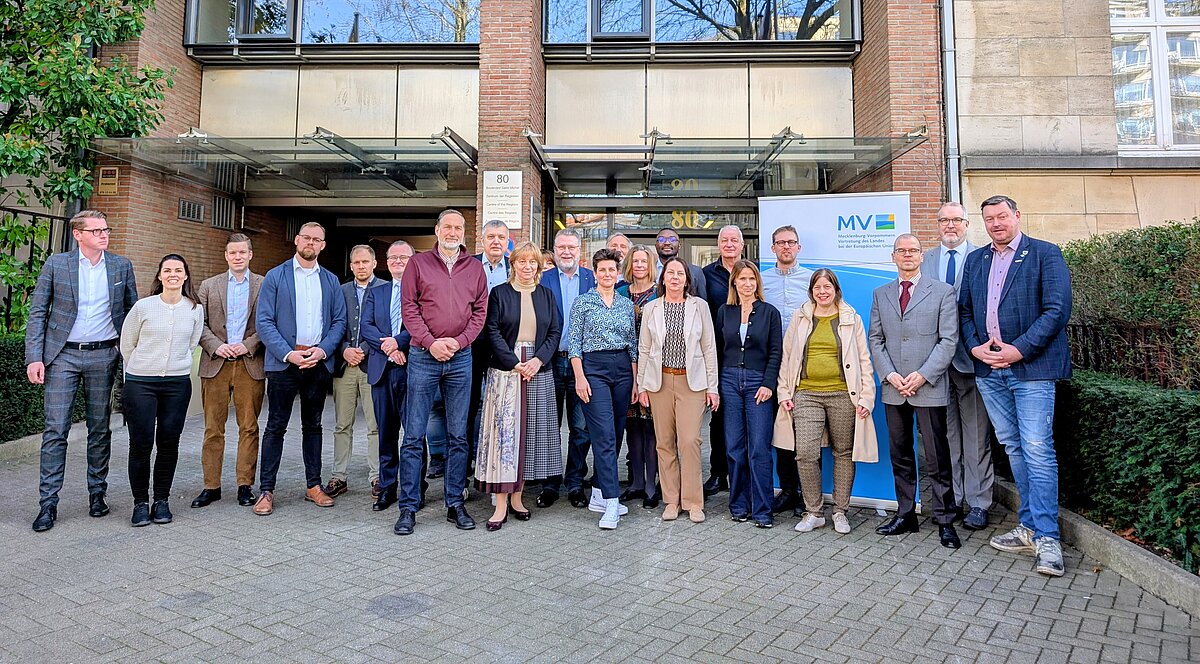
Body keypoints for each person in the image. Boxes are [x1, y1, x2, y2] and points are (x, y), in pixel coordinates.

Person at [960, 195, 1072, 577]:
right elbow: (964, 311)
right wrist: (975, 345)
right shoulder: (976, 260)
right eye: (989, 218)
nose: (996, 224)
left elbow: (1057, 310)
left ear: (1017, 216)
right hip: (990, 370)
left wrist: (1018, 350)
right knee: (1013, 447)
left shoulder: (1045, 254)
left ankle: (1048, 538)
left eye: (1002, 217)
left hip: (1031, 369)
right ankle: (1028, 526)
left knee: (1038, 449)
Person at [26, 210, 138, 532]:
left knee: (100, 429)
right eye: (97, 230)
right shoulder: (56, 264)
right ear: (78, 234)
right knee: (55, 431)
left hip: (104, 355)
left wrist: (126, 350)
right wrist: (35, 357)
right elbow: (38, 313)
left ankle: (97, 495)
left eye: (106, 229)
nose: (104, 235)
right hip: (62, 357)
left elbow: (132, 312)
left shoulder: (121, 266)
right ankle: (48, 504)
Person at [393, 209, 489, 536]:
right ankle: (408, 506)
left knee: (458, 434)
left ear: (464, 233)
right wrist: (431, 343)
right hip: (423, 356)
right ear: (436, 230)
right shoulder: (418, 265)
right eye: (446, 226)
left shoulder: (474, 268)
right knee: (414, 434)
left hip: (462, 359)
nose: (452, 232)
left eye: (458, 227)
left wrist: (460, 342)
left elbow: (479, 312)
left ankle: (454, 503)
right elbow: (410, 309)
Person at [868, 234, 961, 549]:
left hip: (928, 386)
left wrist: (922, 375)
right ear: (893, 257)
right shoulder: (881, 294)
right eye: (901, 251)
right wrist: (891, 375)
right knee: (901, 454)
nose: (907, 255)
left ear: (922, 256)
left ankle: (945, 519)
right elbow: (875, 339)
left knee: (936, 456)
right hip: (894, 388)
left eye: (913, 251)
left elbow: (948, 341)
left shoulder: (943, 292)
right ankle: (906, 514)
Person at [252, 222, 347, 516]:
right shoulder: (275, 277)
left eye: (316, 239)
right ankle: (266, 490)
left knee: (314, 426)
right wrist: (289, 354)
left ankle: (313, 486)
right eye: (306, 237)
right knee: (275, 427)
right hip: (284, 364)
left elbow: (338, 322)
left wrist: (322, 350)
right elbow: (264, 322)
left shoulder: (330, 280)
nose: (310, 243)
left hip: (317, 363)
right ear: (296, 240)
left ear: (322, 245)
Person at [775, 269, 877, 535]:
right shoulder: (801, 317)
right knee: (805, 453)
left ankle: (840, 511)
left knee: (843, 452)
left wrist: (866, 396)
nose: (822, 292)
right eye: (817, 287)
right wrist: (785, 392)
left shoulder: (850, 318)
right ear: (811, 290)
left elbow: (864, 360)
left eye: (827, 287)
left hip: (844, 394)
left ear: (835, 290)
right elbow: (788, 357)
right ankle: (814, 512)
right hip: (806, 393)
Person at [477, 242, 563, 531]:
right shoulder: (499, 294)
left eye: (533, 263)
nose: (527, 267)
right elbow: (492, 331)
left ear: (539, 267)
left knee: (528, 436)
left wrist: (538, 360)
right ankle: (500, 503)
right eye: (522, 262)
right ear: (512, 264)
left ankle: (517, 497)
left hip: (538, 370)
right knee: (505, 435)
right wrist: (514, 362)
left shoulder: (547, 295)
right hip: (506, 370)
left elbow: (554, 330)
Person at [922, 202, 994, 531]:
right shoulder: (927, 260)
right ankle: (953, 496)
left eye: (956, 220)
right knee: (945, 435)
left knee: (976, 435)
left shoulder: (984, 257)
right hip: (935, 363)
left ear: (967, 225)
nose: (950, 226)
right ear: (937, 225)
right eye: (944, 220)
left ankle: (978, 502)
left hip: (972, 359)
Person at [119, 254, 204, 527]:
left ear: (186, 275)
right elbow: (127, 345)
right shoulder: (143, 307)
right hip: (141, 382)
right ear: (159, 276)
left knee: (169, 442)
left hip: (176, 384)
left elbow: (191, 344)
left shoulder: (194, 309)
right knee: (141, 443)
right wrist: (144, 367)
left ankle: (161, 500)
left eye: (178, 270)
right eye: (167, 270)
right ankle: (140, 503)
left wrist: (172, 365)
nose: (173, 274)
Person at [636, 256, 719, 524]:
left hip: (691, 383)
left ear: (687, 279)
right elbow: (645, 349)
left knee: (690, 441)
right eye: (670, 273)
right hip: (659, 382)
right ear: (663, 279)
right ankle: (671, 500)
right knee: (664, 443)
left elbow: (709, 348)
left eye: (680, 274)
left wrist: (712, 387)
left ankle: (693, 502)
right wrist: (642, 387)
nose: (674, 278)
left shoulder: (699, 307)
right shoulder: (652, 308)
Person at [193, 233, 265, 509]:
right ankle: (211, 486)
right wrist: (217, 346)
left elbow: (268, 322)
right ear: (226, 256)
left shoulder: (263, 284)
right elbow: (199, 323)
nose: (237, 257)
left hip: (250, 363)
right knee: (213, 428)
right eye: (232, 253)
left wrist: (247, 345)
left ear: (250, 255)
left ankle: (244, 484)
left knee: (248, 427)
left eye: (242, 252)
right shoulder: (209, 286)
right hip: (216, 363)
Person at [569, 248, 638, 529]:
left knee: (617, 431)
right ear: (594, 273)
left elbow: (632, 344)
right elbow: (574, 344)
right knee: (604, 435)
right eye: (602, 270)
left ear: (618, 273)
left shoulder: (625, 304)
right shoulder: (583, 303)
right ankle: (611, 501)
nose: (608, 274)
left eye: (612, 270)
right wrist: (580, 377)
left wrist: (634, 380)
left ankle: (598, 491)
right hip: (593, 369)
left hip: (622, 368)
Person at [716, 260, 782, 528]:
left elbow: (776, 351)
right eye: (742, 279)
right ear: (734, 283)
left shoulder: (769, 312)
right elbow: (719, 350)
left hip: (758, 383)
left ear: (757, 283)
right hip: (730, 380)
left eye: (751, 279)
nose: (747, 284)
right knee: (734, 447)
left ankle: (763, 509)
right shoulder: (724, 311)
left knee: (759, 449)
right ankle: (739, 504)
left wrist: (768, 384)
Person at [539, 229, 596, 509]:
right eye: (561, 247)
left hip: (582, 366)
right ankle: (550, 482)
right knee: (549, 427)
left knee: (581, 427)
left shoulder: (592, 279)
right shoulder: (543, 280)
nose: (566, 252)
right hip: (551, 361)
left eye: (571, 247)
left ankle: (574, 482)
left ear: (579, 250)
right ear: (554, 249)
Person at [760, 224, 814, 515]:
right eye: (780, 243)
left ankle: (808, 493)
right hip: (771, 364)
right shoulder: (762, 280)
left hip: (804, 365)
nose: (786, 247)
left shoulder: (811, 281)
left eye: (791, 242)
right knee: (781, 431)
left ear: (799, 247)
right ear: (773, 249)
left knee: (805, 431)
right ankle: (788, 490)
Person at [360, 240, 415, 512]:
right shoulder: (376, 291)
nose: (397, 262)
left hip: (410, 370)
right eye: (393, 258)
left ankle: (414, 486)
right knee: (386, 433)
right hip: (382, 369)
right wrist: (388, 347)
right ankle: (387, 487)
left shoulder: (419, 290)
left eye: (403, 258)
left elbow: (421, 323)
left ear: (413, 261)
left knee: (413, 434)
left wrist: (399, 343)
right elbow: (366, 326)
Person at [326, 245, 382, 501]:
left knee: (375, 425)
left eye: (365, 262)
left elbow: (387, 325)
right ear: (351, 266)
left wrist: (364, 349)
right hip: (344, 366)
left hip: (373, 367)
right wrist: (345, 349)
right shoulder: (340, 291)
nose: (361, 266)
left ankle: (377, 476)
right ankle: (339, 476)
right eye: (356, 262)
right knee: (342, 424)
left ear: (374, 263)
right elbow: (331, 325)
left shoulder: (384, 288)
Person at [462, 220, 511, 480]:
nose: (495, 241)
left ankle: (498, 462)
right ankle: (466, 461)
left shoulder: (515, 268)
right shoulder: (467, 266)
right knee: (468, 405)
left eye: (501, 237)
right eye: (491, 236)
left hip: (504, 346)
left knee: (503, 406)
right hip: (471, 345)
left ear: (507, 241)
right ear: (482, 240)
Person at [700, 224, 744, 498]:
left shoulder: (752, 272)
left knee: (743, 418)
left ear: (742, 245)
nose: (729, 244)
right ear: (719, 245)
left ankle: (741, 471)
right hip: (717, 355)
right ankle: (718, 474)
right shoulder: (706, 275)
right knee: (718, 417)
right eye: (724, 240)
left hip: (748, 356)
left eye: (734, 240)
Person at [616, 245, 660, 509]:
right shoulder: (620, 293)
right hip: (624, 367)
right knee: (632, 425)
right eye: (636, 261)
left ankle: (652, 485)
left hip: (653, 367)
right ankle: (635, 482)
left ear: (651, 264)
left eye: (644, 261)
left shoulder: (659, 293)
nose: (640, 265)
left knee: (651, 426)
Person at [653, 228, 707, 300]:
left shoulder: (696, 272)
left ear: (679, 246)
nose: (667, 243)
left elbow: (702, 303)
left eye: (672, 239)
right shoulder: (647, 271)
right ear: (655, 245)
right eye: (661, 239)